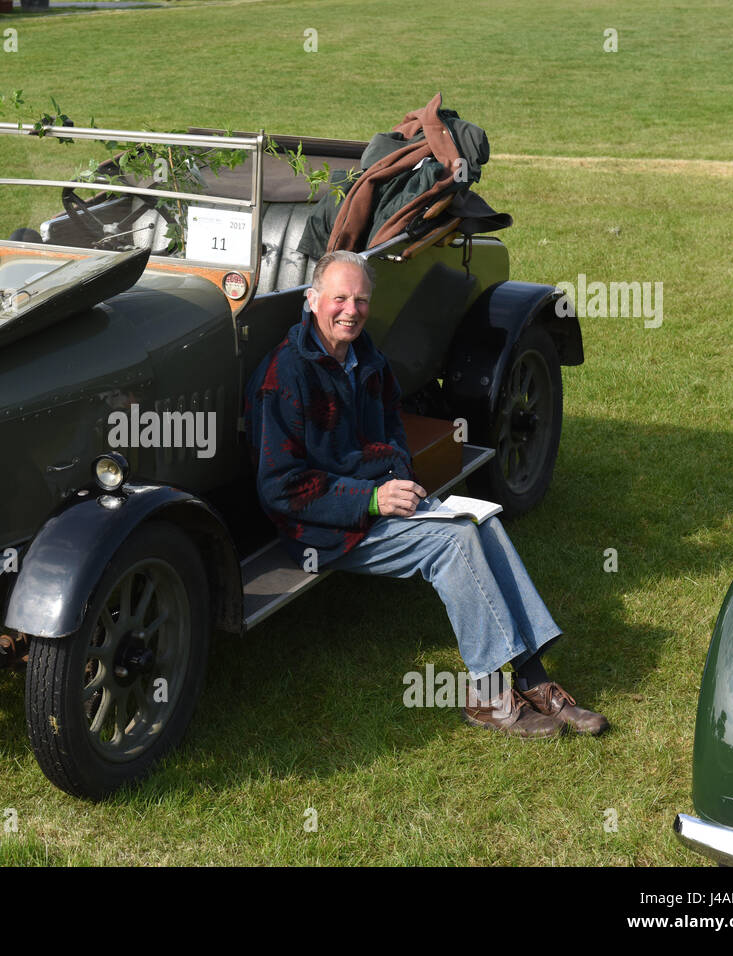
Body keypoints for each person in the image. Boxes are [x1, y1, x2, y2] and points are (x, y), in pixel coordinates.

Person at [245, 250, 607, 737]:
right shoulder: (283, 376)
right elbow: (280, 488)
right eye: (339, 299)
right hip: (325, 528)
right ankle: (486, 697)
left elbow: (394, 424)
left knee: (486, 524)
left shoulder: (364, 354)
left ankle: (534, 681)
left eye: (361, 300)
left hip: (387, 501)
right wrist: (371, 499)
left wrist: (396, 476)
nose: (350, 310)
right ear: (312, 301)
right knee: (453, 545)